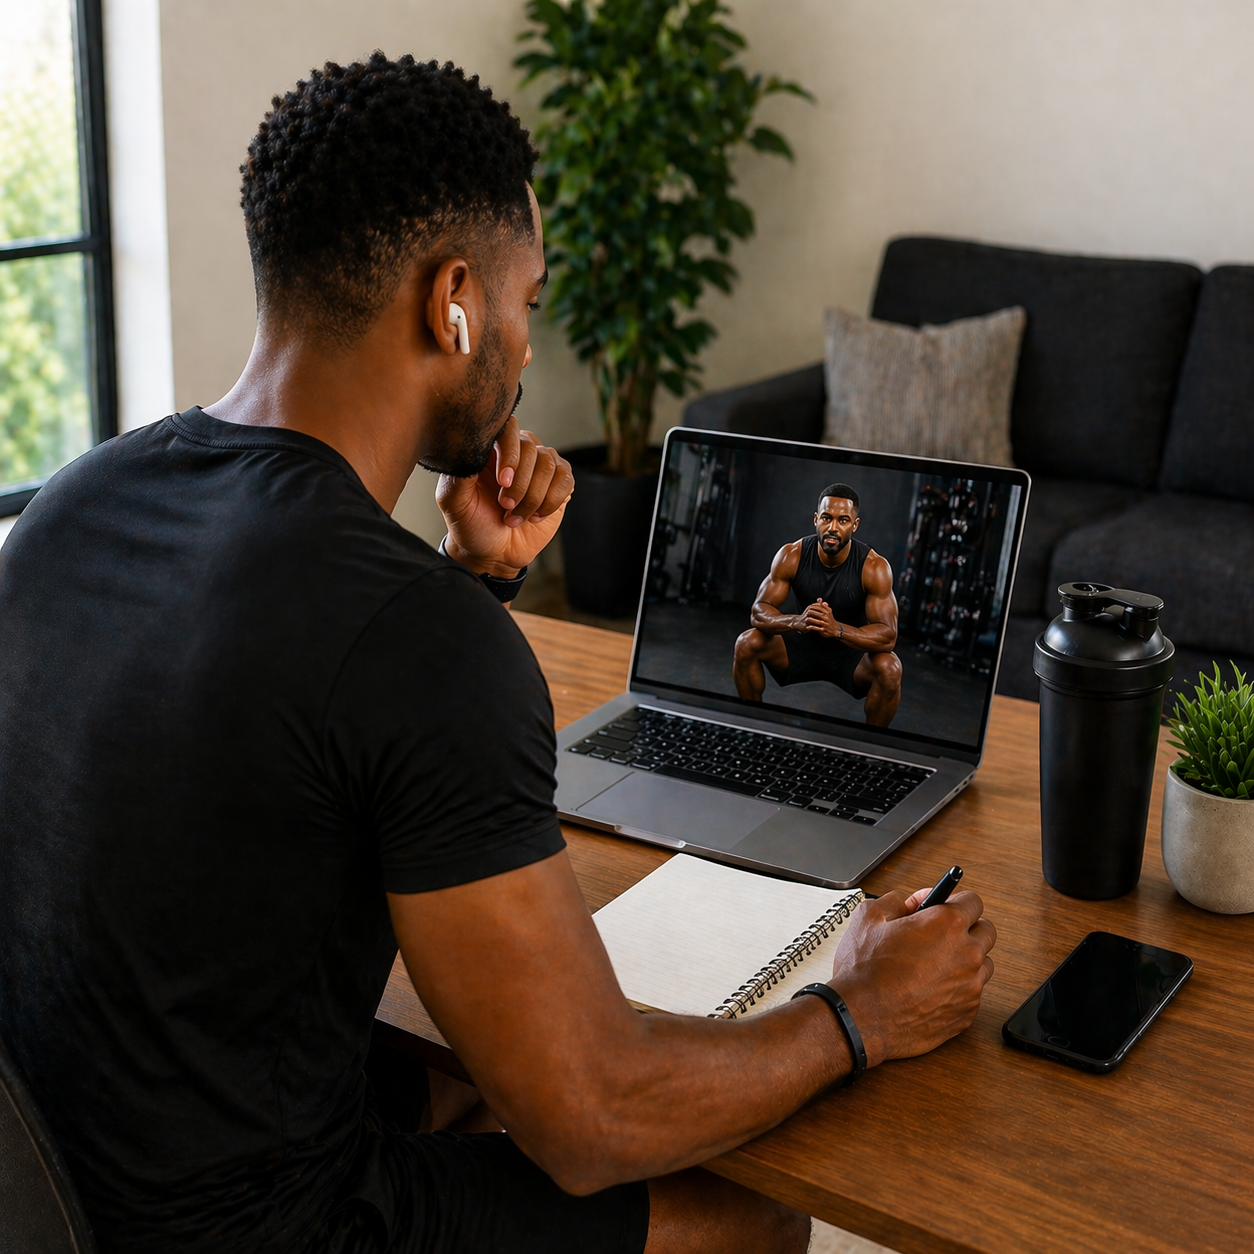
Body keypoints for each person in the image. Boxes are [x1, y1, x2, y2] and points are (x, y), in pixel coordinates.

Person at [0, 55, 994, 1254]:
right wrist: (861, 1012)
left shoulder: (73, 504)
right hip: (253, 1228)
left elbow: (268, 761)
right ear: (453, 302)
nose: (526, 349)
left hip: (64, 1177)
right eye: (527, 300)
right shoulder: (412, 635)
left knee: (475, 1085)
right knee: (750, 1213)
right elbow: (595, 1114)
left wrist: (466, 581)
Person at [733, 486, 903, 726]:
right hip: (802, 646)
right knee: (746, 643)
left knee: (890, 667)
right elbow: (758, 612)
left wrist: (837, 630)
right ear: (816, 519)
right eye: (826, 518)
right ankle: (752, 726)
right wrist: (796, 621)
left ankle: (870, 743)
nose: (833, 527)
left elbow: (888, 637)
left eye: (843, 520)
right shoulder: (791, 555)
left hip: (849, 654)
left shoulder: (874, 567)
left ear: (855, 525)